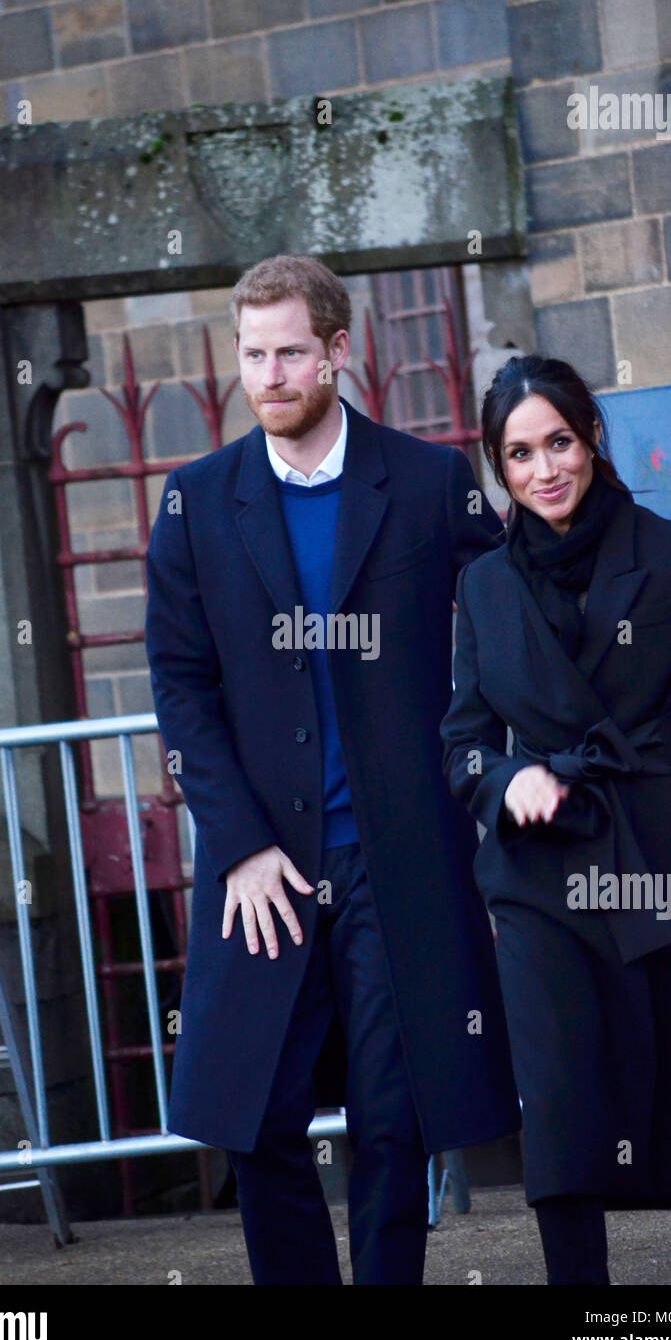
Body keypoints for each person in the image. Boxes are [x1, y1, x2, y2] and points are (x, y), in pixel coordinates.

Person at [145, 255, 520, 1286]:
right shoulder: (195, 502)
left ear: (339, 351)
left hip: (398, 857)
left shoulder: (433, 481)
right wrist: (240, 845)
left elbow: (512, 628)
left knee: (396, 1122)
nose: (269, 374)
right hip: (264, 866)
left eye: (291, 352)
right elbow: (178, 687)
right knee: (259, 1115)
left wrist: (490, 781)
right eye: (253, 354)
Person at [440, 354, 671, 1286]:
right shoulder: (483, 588)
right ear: (499, 470)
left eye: (559, 443)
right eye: (520, 454)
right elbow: (460, 746)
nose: (545, 469)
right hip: (544, 880)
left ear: (591, 440)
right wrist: (507, 782)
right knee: (565, 1116)